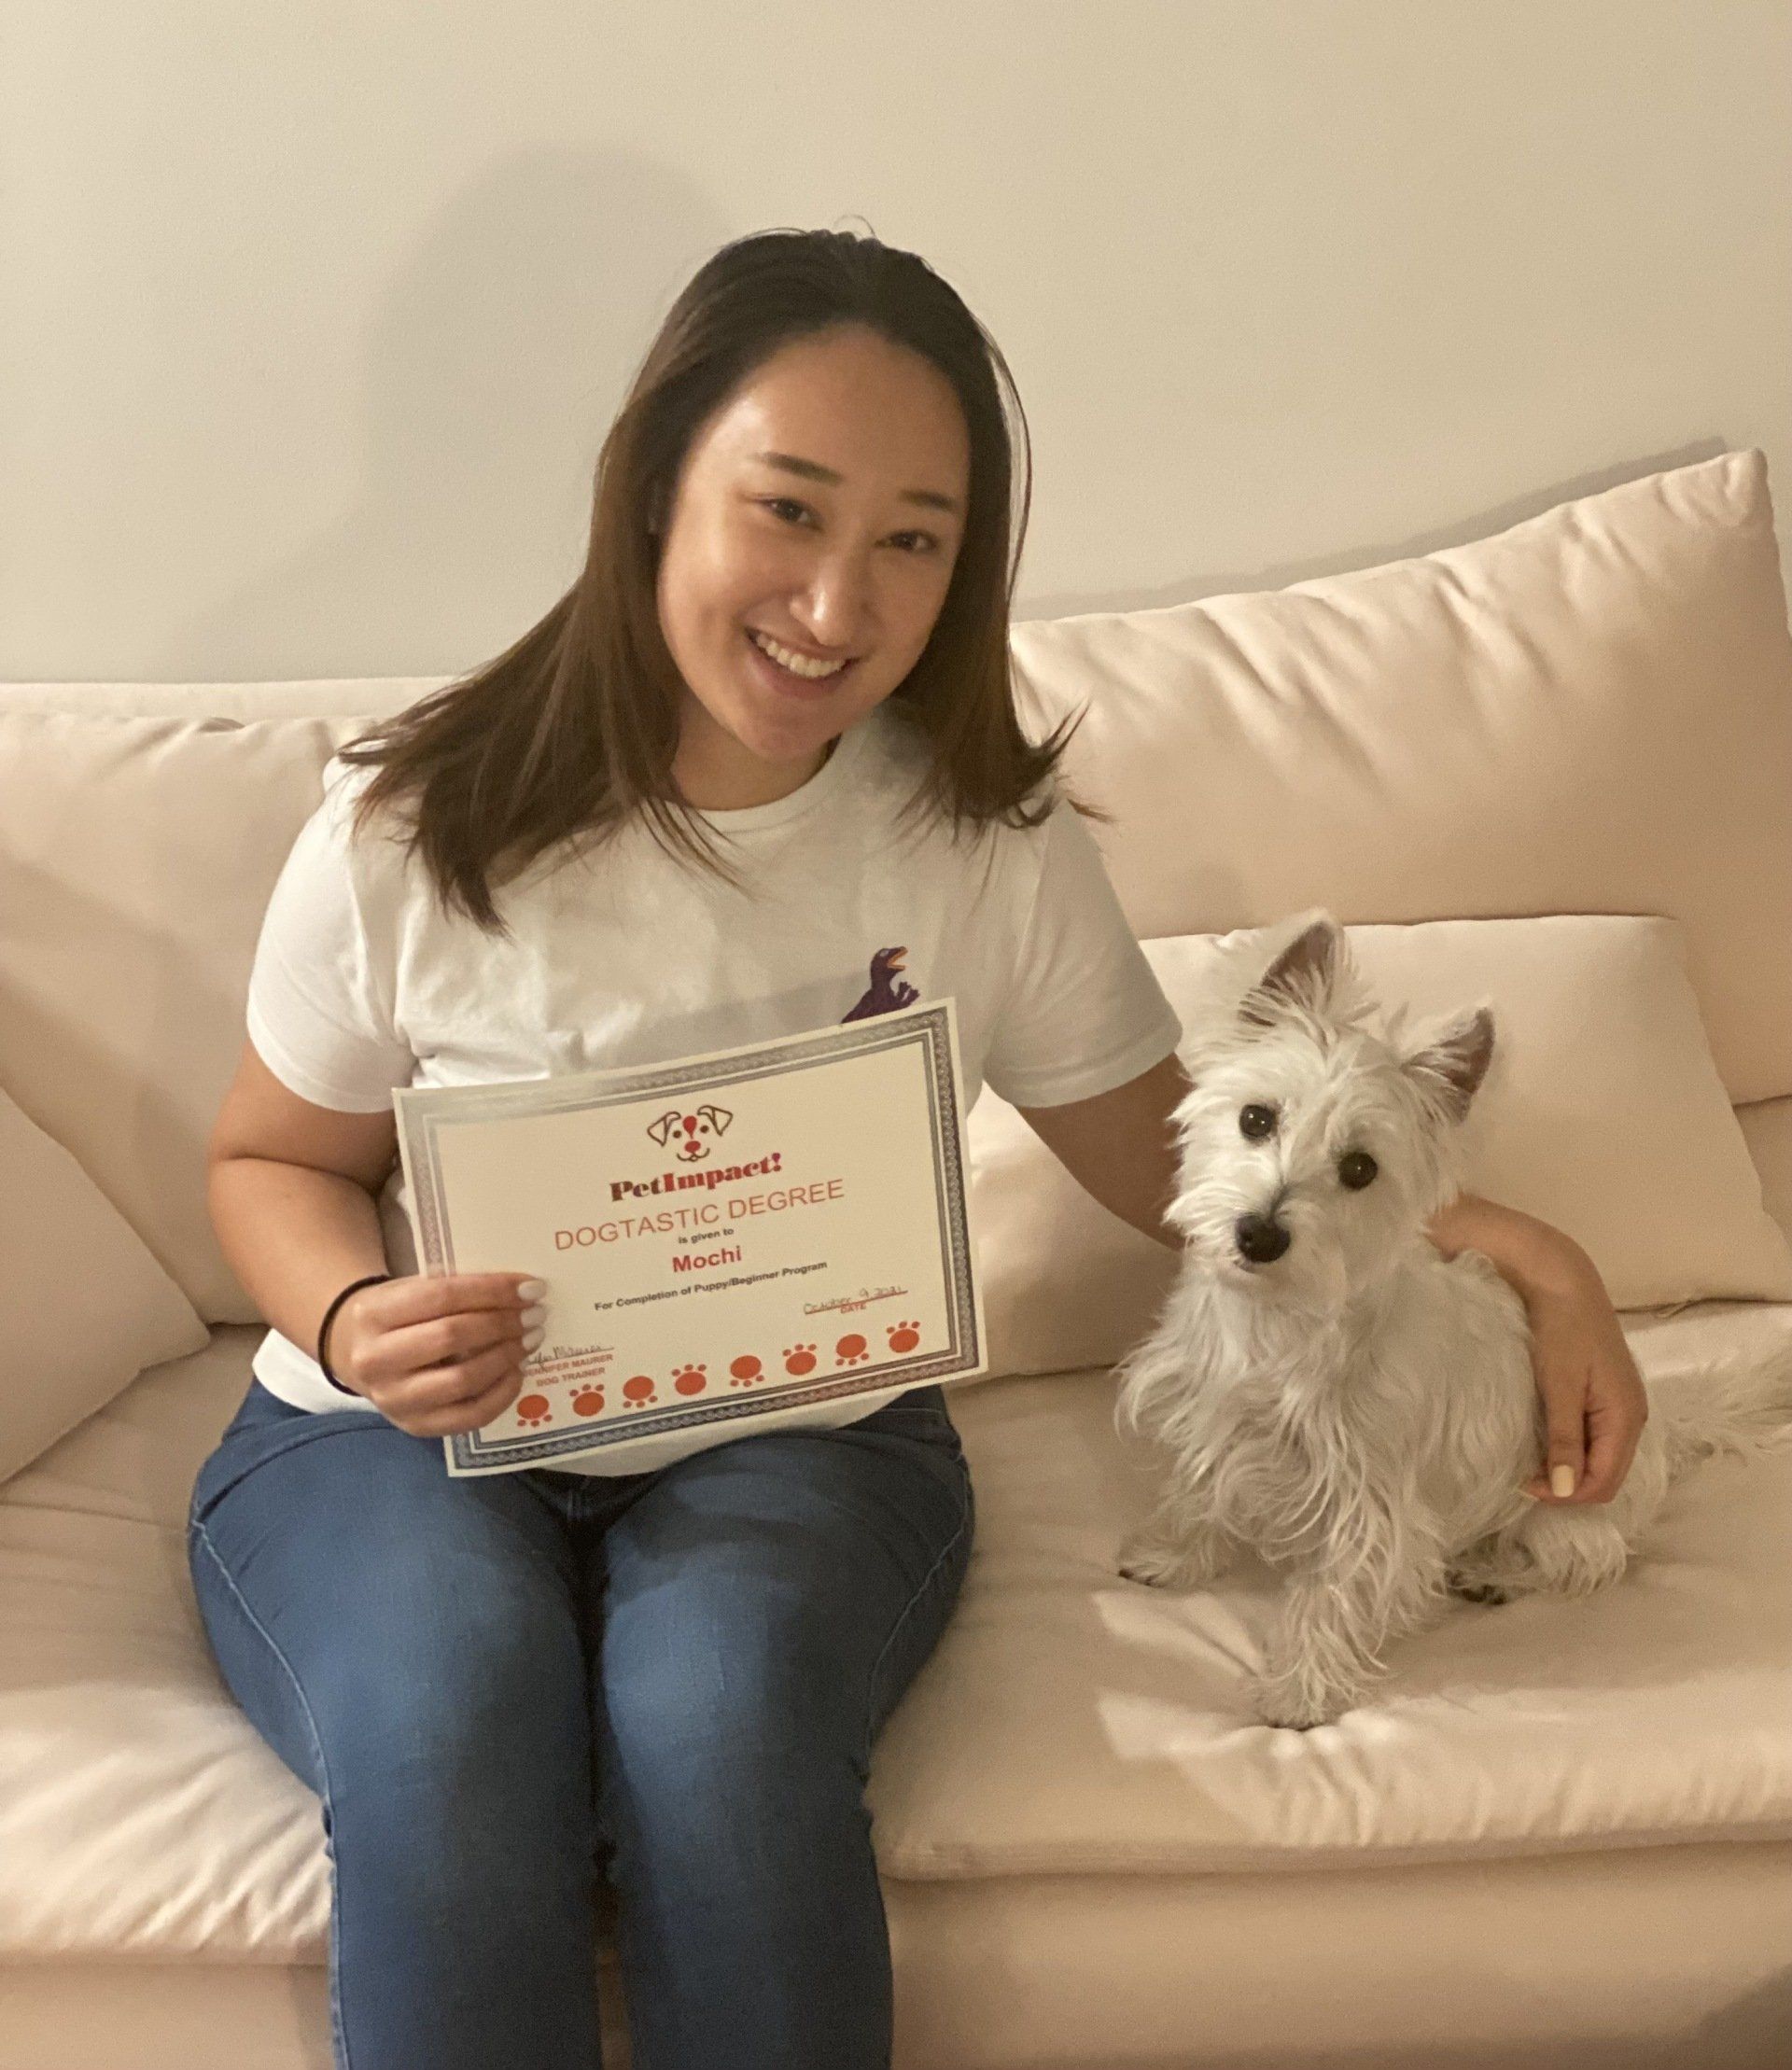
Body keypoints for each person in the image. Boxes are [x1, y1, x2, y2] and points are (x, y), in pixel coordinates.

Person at [188, 226, 1649, 2070]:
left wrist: (1538, 1257)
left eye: (912, 540)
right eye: (786, 511)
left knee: (720, 1726)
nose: (837, 599)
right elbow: (267, 1157)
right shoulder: (413, 822)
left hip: (802, 1415)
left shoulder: (980, 840)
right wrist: (351, 1316)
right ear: (655, 492)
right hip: (399, 1438)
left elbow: (1160, 1151)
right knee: (452, 1729)